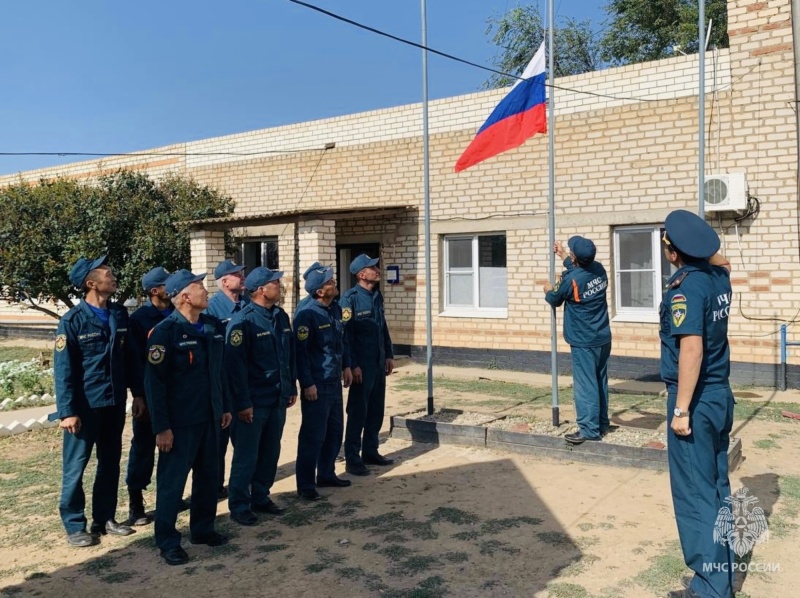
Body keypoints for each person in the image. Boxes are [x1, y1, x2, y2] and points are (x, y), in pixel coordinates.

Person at [659, 210, 734, 598]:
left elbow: (691, 349)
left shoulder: (685, 288)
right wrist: (711, 254)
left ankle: (709, 588)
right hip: (720, 394)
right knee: (718, 487)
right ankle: (720, 575)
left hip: (697, 399)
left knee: (695, 493)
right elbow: (724, 260)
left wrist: (680, 410)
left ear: (673, 252)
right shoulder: (718, 277)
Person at [145, 269, 232, 566]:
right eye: (200, 288)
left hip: (210, 418)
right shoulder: (164, 333)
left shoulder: (210, 325)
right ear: (184, 296)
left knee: (208, 478)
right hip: (179, 424)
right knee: (172, 484)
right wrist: (162, 428)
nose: (206, 292)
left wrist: (224, 407)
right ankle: (168, 541)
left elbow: (220, 373)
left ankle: (203, 529)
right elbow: (154, 385)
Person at [53, 255, 136, 547]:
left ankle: (104, 518)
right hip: (85, 407)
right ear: (91, 283)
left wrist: (137, 394)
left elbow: (129, 361)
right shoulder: (72, 321)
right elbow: (64, 370)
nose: (113, 276)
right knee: (76, 466)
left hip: (113, 403)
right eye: (106, 273)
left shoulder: (118, 315)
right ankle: (75, 525)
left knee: (110, 462)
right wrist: (68, 411)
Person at [225, 267, 297, 525]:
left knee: (270, 451)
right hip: (253, 402)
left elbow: (288, 357)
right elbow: (235, 368)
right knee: (247, 455)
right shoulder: (242, 321)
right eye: (275, 282)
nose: (280, 286)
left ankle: (261, 496)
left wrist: (291, 387)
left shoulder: (280, 316)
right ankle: (239, 504)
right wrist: (242, 403)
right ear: (261, 289)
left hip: (277, 398)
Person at [543, 236, 612, 445]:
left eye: (570, 252)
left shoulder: (571, 280)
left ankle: (589, 430)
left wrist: (547, 289)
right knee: (600, 380)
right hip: (602, 336)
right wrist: (562, 255)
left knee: (585, 384)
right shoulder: (598, 269)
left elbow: (555, 298)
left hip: (583, 340)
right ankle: (601, 422)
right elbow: (580, 273)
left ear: (576, 257)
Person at [294, 265, 353, 501]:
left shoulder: (335, 309)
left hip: (334, 380)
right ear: (319, 291)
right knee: (313, 435)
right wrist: (307, 383)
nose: (334, 283)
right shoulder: (306, 314)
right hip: (317, 384)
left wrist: (346, 365)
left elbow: (342, 341)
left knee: (334, 431)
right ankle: (306, 485)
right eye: (330, 282)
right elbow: (301, 353)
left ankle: (326, 473)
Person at [125, 266, 174, 526]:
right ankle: (136, 504)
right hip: (149, 395)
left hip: (175, 395)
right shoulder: (140, 319)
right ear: (155, 291)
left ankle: (169, 498)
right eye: (167, 284)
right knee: (143, 449)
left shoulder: (178, 313)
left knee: (174, 448)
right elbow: (134, 361)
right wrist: (139, 396)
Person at [340, 254, 395, 476]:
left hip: (378, 363)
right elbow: (346, 336)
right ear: (362, 274)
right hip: (361, 366)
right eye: (373, 267)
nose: (378, 269)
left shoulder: (377, 296)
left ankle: (370, 451)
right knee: (358, 412)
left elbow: (383, 328)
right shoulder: (350, 299)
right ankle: (352, 458)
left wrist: (389, 355)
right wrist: (352, 365)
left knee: (375, 410)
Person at [205, 258, 248, 500]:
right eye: (236, 274)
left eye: (241, 273)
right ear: (224, 281)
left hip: (244, 384)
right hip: (223, 385)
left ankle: (241, 483)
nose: (242, 277)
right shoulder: (212, 309)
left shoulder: (246, 304)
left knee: (243, 440)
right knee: (219, 442)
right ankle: (216, 485)